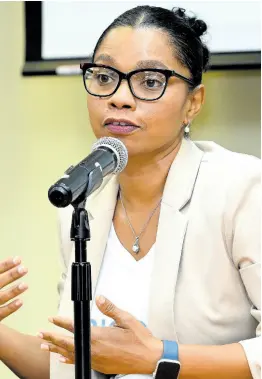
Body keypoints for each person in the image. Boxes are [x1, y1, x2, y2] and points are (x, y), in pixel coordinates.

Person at [0, 5, 260, 379]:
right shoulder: (82, 198)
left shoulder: (243, 189)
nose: (119, 97)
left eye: (150, 82)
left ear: (193, 103)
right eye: (105, 77)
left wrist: (160, 358)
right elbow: (76, 369)